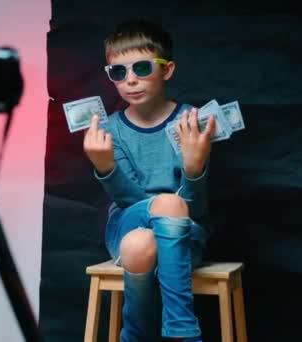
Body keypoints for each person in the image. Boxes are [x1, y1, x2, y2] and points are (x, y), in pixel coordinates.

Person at [83, 19, 216, 342]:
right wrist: (107, 169)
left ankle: (136, 337)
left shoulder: (190, 122)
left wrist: (194, 167)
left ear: (167, 70)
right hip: (128, 221)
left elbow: (194, 209)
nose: (130, 80)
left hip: (183, 235)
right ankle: (182, 331)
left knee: (140, 244)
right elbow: (132, 203)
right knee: (161, 209)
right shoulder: (111, 130)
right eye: (119, 72)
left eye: (142, 68)